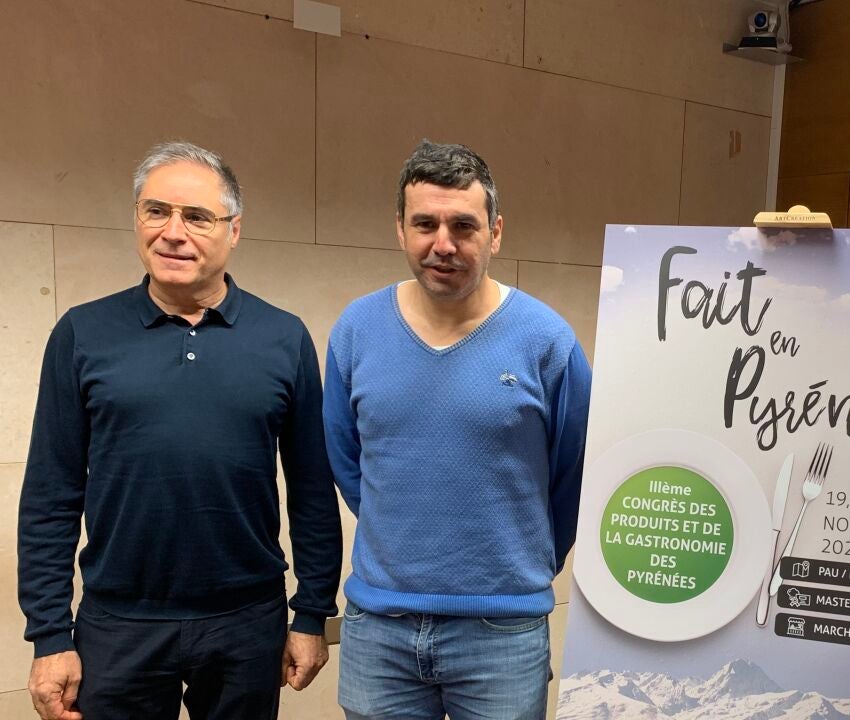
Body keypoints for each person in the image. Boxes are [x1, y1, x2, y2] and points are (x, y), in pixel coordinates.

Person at [18, 141, 343, 720]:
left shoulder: (283, 337)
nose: (173, 232)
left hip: (247, 623)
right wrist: (48, 635)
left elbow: (313, 491)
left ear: (233, 230)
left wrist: (312, 613)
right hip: (118, 624)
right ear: (136, 218)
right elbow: (51, 493)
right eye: (156, 211)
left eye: (197, 216)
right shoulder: (82, 333)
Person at [323, 139, 591, 720]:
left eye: (463, 226)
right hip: (381, 628)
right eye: (425, 224)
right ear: (400, 229)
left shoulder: (547, 341)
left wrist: (519, 563)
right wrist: (407, 533)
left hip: (503, 631)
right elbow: (347, 461)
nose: (442, 244)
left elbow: (574, 475)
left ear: (495, 233)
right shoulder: (356, 330)